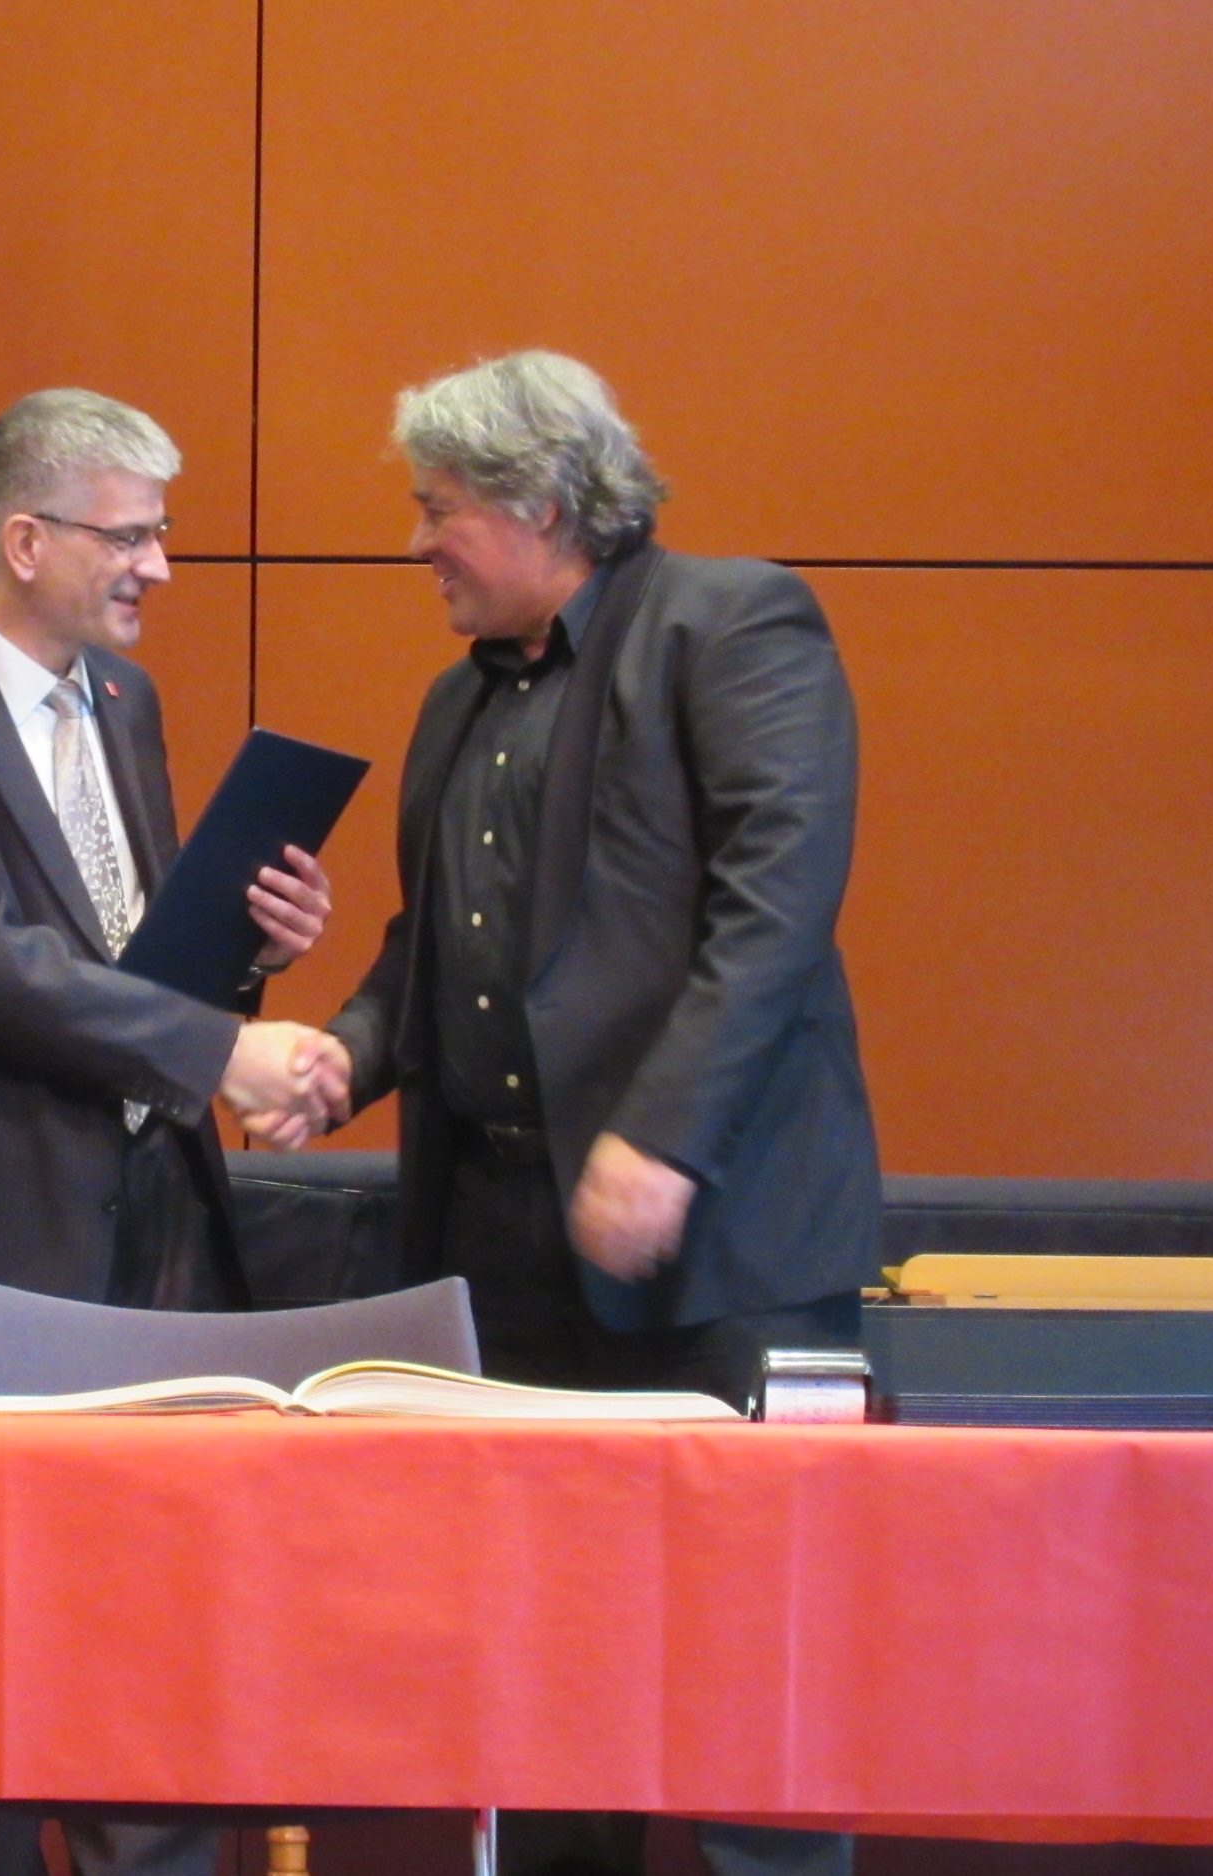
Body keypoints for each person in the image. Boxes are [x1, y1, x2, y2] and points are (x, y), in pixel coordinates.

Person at [297, 351, 877, 1876]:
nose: (417, 544)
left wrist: (664, 1136)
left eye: (437, 509)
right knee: (548, 1650)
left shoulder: (728, 624)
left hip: (720, 1242)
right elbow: (431, 947)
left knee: (752, 1653)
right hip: (504, 1240)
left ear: (541, 503)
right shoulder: (453, 702)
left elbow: (775, 907)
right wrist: (340, 1059)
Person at [0, 386, 333, 1876]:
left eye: (161, 532)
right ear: (25, 541)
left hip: (150, 1226)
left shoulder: (123, 703)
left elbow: (123, 955)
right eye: (131, 535)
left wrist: (247, 953)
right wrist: (222, 1050)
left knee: (150, 1629)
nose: (159, 564)